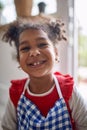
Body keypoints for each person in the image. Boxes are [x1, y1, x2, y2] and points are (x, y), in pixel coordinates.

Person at [1, 15, 87, 130]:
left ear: (56, 53)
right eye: (25, 48)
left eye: (42, 44)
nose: (34, 52)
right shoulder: (16, 93)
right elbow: (7, 127)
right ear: (18, 59)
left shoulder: (69, 90)